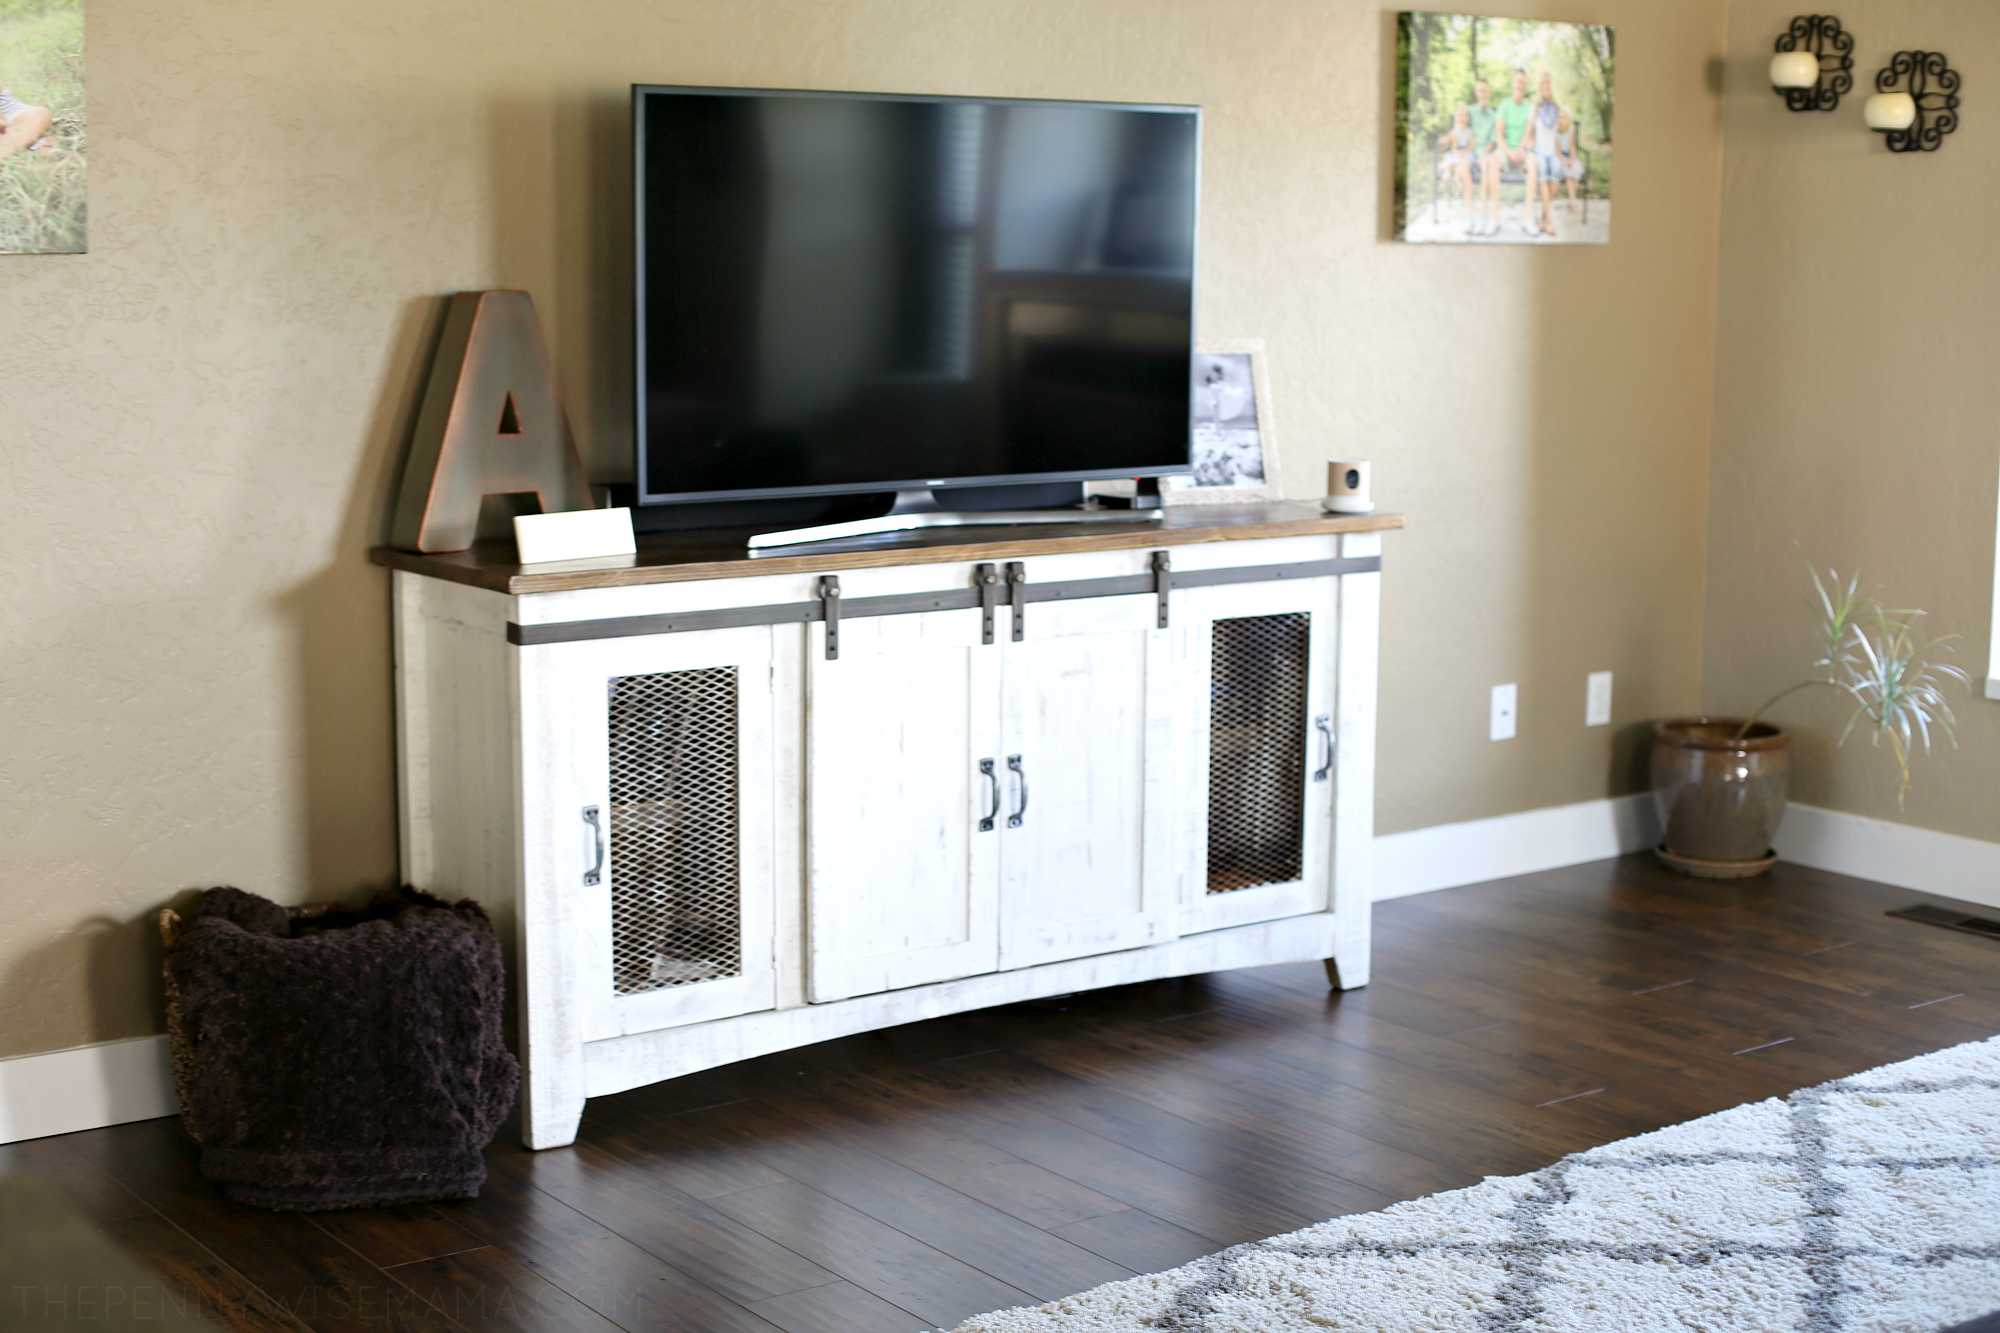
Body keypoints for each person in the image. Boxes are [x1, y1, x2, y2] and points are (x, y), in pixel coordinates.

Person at [1492, 68, 1540, 238]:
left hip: (1522, 151)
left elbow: (1530, 136)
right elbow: (1499, 135)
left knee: (1534, 161)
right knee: (1493, 162)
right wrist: (1510, 152)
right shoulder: (1504, 105)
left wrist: (1523, 150)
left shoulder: (1529, 108)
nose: (1521, 85)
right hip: (1506, 150)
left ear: (1525, 87)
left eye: (1524, 83)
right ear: (1513, 83)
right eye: (1518, 81)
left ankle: (1528, 219)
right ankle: (1495, 218)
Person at [1530, 72, 1562, 238]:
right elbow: (1529, 131)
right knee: (1542, 169)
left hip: (1553, 152)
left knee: (1556, 172)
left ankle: (1542, 217)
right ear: (1539, 87)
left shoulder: (1557, 108)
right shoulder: (1535, 108)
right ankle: (1550, 221)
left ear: (1551, 85)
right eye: (1542, 83)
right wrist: (1524, 148)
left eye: (1548, 83)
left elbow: (1561, 132)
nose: (1545, 86)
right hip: (1539, 152)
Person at [1436, 103, 1476, 233]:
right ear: (1456, 117)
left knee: (1460, 164)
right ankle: (1448, 174)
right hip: (1456, 154)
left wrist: (1464, 152)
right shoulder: (1454, 132)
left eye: (1464, 115)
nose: (1462, 118)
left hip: (1465, 155)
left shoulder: (1470, 132)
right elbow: (1452, 146)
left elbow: (1472, 146)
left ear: (1468, 117)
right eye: (1459, 115)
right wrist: (1455, 150)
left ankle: (1457, 177)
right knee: (1450, 160)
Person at [1469, 77, 1502, 237]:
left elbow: (1493, 141)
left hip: (1486, 155)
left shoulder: (1494, 115)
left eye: (1485, 91)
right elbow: (1461, 130)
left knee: (1488, 163)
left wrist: (1482, 156)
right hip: (1471, 155)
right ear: (1476, 93)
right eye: (1480, 91)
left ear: (1489, 93)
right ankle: (1486, 216)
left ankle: (1483, 216)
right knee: (1486, 164)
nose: (1482, 94)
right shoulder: (1470, 112)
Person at [0, 88, 52, 162]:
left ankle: (31, 145)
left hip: (12, 112)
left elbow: (2, 123)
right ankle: (32, 146)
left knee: (40, 115)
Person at [1555, 107, 1585, 214]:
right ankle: (1573, 200)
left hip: (1571, 156)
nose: (1560, 120)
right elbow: (1558, 152)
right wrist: (1565, 160)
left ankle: (1572, 199)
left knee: (1575, 170)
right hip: (1561, 158)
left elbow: (1573, 148)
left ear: (1568, 120)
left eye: (1563, 118)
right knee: (1568, 175)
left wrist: (1571, 159)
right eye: (1559, 117)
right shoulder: (1556, 133)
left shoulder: (1571, 131)